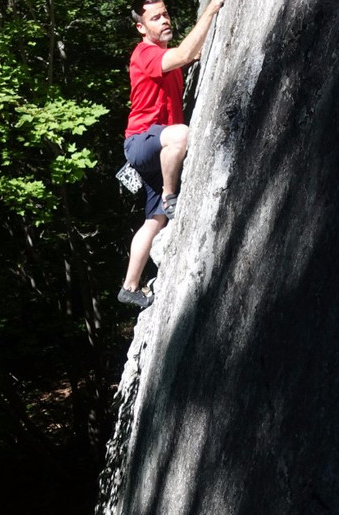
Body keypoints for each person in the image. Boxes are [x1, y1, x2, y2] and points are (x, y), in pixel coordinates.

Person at [118, 0, 225, 309]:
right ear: (141, 28)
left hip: (158, 148)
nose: (165, 20)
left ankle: (129, 286)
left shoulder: (165, 59)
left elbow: (188, 56)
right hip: (142, 142)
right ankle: (169, 195)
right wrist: (211, 10)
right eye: (156, 18)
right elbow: (185, 54)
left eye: (165, 14)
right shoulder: (145, 54)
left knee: (155, 221)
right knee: (181, 135)